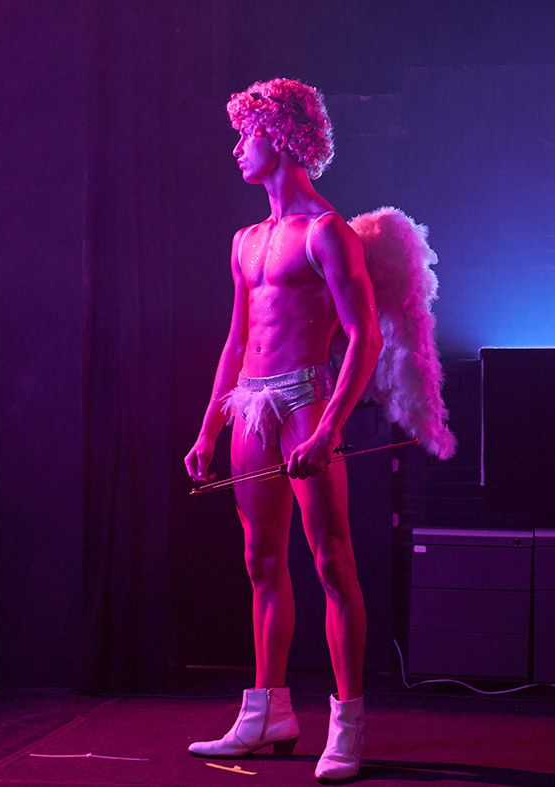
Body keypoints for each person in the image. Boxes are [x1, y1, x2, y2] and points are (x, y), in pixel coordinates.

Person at [184, 77, 383, 783]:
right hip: (250, 403)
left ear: (281, 136)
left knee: (331, 562)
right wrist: (208, 428)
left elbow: (365, 337)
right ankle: (266, 712)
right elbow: (236, 340)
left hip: (305, 399)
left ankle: (347, 722)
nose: (237, 147)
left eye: (246, 134)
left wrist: (328, 426)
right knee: (260, 562)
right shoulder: (245, 240)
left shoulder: (327, 232)